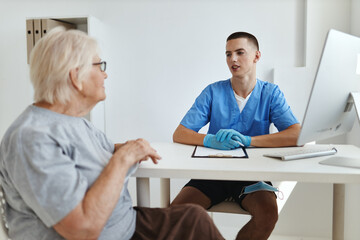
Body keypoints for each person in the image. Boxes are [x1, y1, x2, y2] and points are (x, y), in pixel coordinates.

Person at [0, 27, 225, 240]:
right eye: (100, 66)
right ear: (75, 77)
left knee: (194, 218)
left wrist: (130, 147)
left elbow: (102, 149)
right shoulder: (31, 138)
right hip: (103, 234)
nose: (105, 75)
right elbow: (82, 230)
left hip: (123, 224)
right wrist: (125, 157)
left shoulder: (74, 122)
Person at [171, 32, 301, 240]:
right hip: (212, 174)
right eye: (228, 54)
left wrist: (250, 141)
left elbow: (296, 134)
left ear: (256, 56)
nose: (233, 59)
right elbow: (180, 133)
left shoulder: (271, 94)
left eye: (240, 53)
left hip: (252, 176)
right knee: (176, 214)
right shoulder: (213, 92)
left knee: (268, 214)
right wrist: (208, 140)